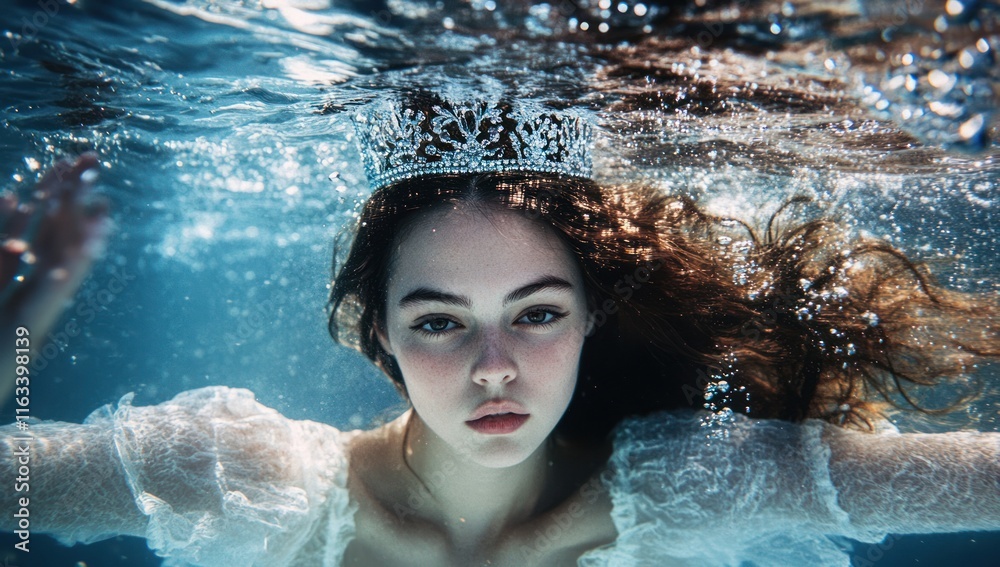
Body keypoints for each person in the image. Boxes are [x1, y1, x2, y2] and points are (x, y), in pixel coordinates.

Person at [1, 95, 998, 567]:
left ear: (592, 316)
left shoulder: (694, 485)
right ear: (378, 335)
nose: (494, 368)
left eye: (537, 314)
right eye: (439, 321)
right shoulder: (251, 483)